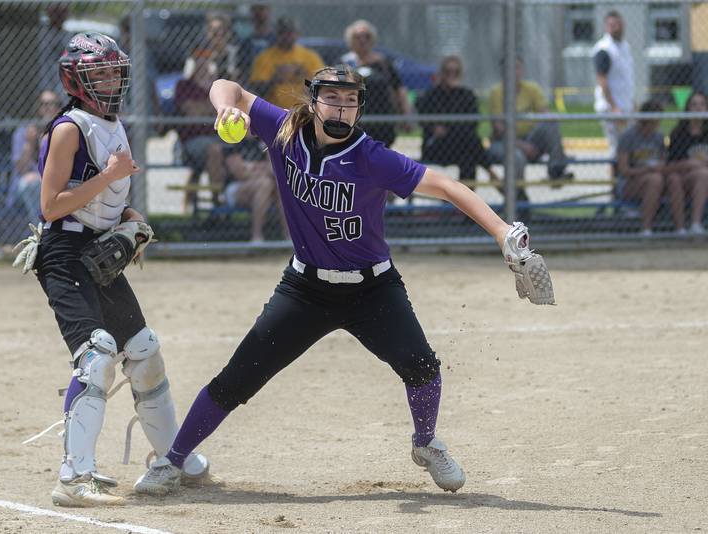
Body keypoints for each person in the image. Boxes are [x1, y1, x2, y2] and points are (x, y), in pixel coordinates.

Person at [134, 65, 544, 495]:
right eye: (332, 98)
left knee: (423, 368)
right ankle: (172, 461)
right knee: (237, 378)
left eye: (351, 102)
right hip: (305, 289)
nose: (341, 108)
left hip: (373, 289)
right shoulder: (285, 131)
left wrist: (501, 232)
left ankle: (426, 443)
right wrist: (223, 110)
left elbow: (445, 185)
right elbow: (228, 88)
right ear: (313, 102)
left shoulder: (372, 157)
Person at [15, 32, 209, 507]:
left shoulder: (114, 122)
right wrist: (110, 177)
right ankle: (74, 477)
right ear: (74, 81)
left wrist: (129, 218)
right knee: (97, 356)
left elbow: (104, 196)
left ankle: (173, 456)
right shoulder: (69, 128)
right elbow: (51, 204)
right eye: (96, 72)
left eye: (112, 70)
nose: (108, 79)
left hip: (96, 248)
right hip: (62, 254)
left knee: (143, 351)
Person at [487, 57, 571, 187]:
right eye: (509, 68)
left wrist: (534, 140)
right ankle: (518, 198)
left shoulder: (531, 88)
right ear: (503, 71)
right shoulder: (496, 92)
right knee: (517, 157)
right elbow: (499, 129)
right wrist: (522, 145)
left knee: (551, 124)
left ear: (522, 70)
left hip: (529, 139)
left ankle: (556, 171)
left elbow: (546, 115)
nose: (514, 72)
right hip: (504, 142)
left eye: (517, 67)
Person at [416, 55, 497, 183]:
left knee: (469, 158)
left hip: (461, 146)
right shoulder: (431, 95)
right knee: (470, 140)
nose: (451, 75)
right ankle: (489, 171)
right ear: (442, 73)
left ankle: (461, 200)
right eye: (448, 72)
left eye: (456, 72)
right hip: (438, 146)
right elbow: (424, 120)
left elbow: (472, 123)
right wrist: (437, 127)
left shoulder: (466, 94)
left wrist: (455, 92)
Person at [340, 20, 410, 148]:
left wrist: (406, 116)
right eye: (357, 37)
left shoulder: (384, 63)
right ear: (351, 39)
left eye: (367, 36)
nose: (362, 40)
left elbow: (399, 90)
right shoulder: (344, 63)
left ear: (372, 39)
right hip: (353, 120)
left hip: (382, 120)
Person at [616, 100, 682, 236]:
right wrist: (646, 170)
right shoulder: (628, 137)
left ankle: (680, 228)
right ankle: (646, 229)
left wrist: (660, 168)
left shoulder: (659, 137)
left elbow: (663, 162)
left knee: (674, 179)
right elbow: (623, 170)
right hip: (630, 183)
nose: (656, 123)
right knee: (654, 179)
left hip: (655, 178)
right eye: (653, 119)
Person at [174, 49, 226, 208]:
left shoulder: (218, 84)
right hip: (192, 140)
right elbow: (191, 112)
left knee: (228, 150)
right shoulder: (183, 85)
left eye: (207, 60)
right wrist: (213, 106)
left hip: (219, 135)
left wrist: (204, 106)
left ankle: (228, 197)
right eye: (199, 60)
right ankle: (218, 200)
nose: (203, 64)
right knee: (214, 150)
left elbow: (226, 107)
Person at [248, 17, 324, 109]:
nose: (286, 36)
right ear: (276, 34)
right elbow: (256, 89)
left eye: (290, 33)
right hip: (274, 110)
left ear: (297, 34)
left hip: (304, 110)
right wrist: (275, 79)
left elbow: (322, 84)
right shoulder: (265, 57)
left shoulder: (309, 56)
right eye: (282, 33)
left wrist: (301, 75)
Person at [222, 139, 287, 242]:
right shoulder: (233, 139)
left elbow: (273, 170)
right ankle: (256, 236)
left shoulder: (263, 140)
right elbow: (240, 174)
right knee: (265, 183)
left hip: (265, 185)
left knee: (279, 186)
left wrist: (251, 168)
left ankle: (288, 236)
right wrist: (262, 168)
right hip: (236, 187)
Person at [10, 90, 60, 219]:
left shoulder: (65, 130)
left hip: (55, 183)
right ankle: (40, 230)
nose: (48, 108)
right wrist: (29, 143)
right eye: (44, 104)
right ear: (38, 108)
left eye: (53, 104)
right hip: (26, 187)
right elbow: (21, 169)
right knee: (29, 185)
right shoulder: (23, 132)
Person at [593, 10, 634, 161]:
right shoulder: (604, 49)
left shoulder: (624, 46)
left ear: (623, 25)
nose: (613, 28)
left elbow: (626, 78)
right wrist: (614, 107)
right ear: (605, 27)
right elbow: (601, 79)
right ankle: (615, 182)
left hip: (625, 105)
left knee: (628, 145)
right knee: (617, 147)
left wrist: (631, 102)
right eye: (610, 25)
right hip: (611, 107)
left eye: (616, 24)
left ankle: (624, 181)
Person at [665, 91, 708, 235]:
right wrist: (690, 164)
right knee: (674, 179)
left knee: (702, 174)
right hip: (683, 176)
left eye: (702, 104)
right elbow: (669, 166)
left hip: (702, 178)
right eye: (694, 104)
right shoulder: (678, 133)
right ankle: (680, 229)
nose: (698, 108)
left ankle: (695, 224)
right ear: (688, 108)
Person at [238, 3, 276, 82]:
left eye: (261, 9)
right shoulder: (246, 42)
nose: (258, 13)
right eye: (255, 10)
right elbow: (242, 66)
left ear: (269, 13)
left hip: (272, 80)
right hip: (251, 81)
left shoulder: (276, 40)